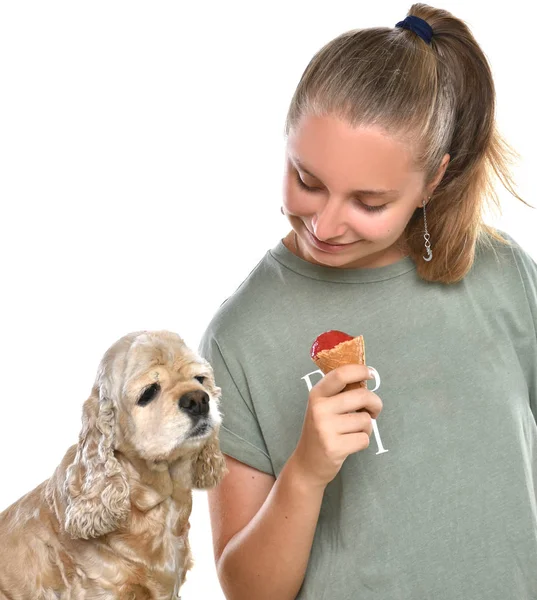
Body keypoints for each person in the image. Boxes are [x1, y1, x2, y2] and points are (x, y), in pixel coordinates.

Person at [198, 4, 537, 599]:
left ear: (432, 182)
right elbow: (249, 591)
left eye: (369, 202)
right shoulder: (241, 337)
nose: (326, 224)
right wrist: (305, 473)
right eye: (307, 180)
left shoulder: (504, 275)